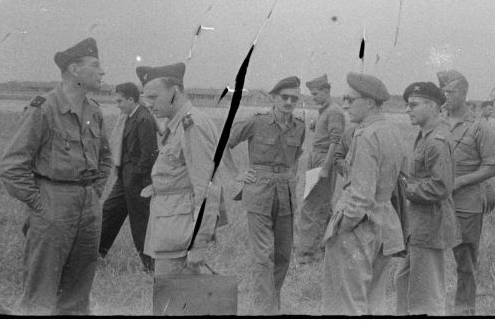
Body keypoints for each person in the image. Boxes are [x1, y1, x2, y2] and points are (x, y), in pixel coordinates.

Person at [0, 37, 112, 315]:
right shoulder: (44, 108)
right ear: (74, 70)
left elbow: (106, 159)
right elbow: (13, 166)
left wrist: (93, 193)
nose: (102, 72)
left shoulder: (94, 111)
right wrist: (40, 203)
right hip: (53, 204)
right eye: (95, 65)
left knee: (78, 292)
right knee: (41, 293)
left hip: (87, 206)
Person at [322, 73, 407, 315]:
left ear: (370, 102)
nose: (345, 104)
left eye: (350, 98)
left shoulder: (365, 135)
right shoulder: (392, 131)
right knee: (374, 301)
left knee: (345, 303)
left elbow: (361, 198)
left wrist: (343, 226)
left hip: (358, 228)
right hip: (384, 224)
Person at [136, 62, 227, 279]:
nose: (148, 104)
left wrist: (198, 245)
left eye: (153, 97)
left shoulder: (192, 126)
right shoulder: (176, 125)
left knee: (175, 304)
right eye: (146, 98)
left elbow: (207, 188)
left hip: (182, 235)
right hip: (171, 229)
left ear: (175, 92)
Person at [229, 76, 305, 315]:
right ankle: (266, 310)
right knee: (263, 256)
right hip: (259, 193)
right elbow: (222, 145)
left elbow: (296, 157)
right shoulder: (257, 122)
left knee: (283, 255)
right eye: (285, 97)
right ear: (274, 98)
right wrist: (237, 173)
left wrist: (290, 178)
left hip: (286, 195)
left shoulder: (300, 126)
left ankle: (270, 303)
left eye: (294, 98)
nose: (289, 102)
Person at [438, 71, 495, 315]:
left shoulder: (479, 126)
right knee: (430, 257)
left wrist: (460, 181)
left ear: (464, 94)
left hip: (466, 206)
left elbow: (493, 166)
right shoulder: (439, 122)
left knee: (465, 263)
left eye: (450, 92)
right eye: (443, 92)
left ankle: (464, 312)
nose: (446, 96)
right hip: (437, 201)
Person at [395, 81, 458, 316]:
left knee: (426, 296)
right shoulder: (425, 136)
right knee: (403, 280)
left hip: (430, 225)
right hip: (420, 224)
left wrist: (404, 188)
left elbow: (441, 187)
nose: (407, 110)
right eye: (406, 105)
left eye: (413, 105)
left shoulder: (436, 141)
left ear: (432, 106)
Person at [99, 82, 158, 271]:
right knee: (108, 212)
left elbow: (148, 155)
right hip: (125, 179)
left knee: (140, 225)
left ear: (131, 100)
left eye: (120, 101)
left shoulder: (144, 119)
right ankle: (95, 255)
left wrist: (134, 179)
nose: (118, 105)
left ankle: (152, 267)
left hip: (137, 182)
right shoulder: (130, 116)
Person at [297, 74, 346, 263]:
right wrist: (314, 124)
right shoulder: (325, 111)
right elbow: (325, 132)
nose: (313, 97)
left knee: (313, 206)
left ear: (327, 91)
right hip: (317, 158)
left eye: (316, 93)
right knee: (321, 204)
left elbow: (336, 140)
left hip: (324, 160)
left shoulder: (334, 111)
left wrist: (325, 167)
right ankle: (326, 245)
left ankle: (308, 252)